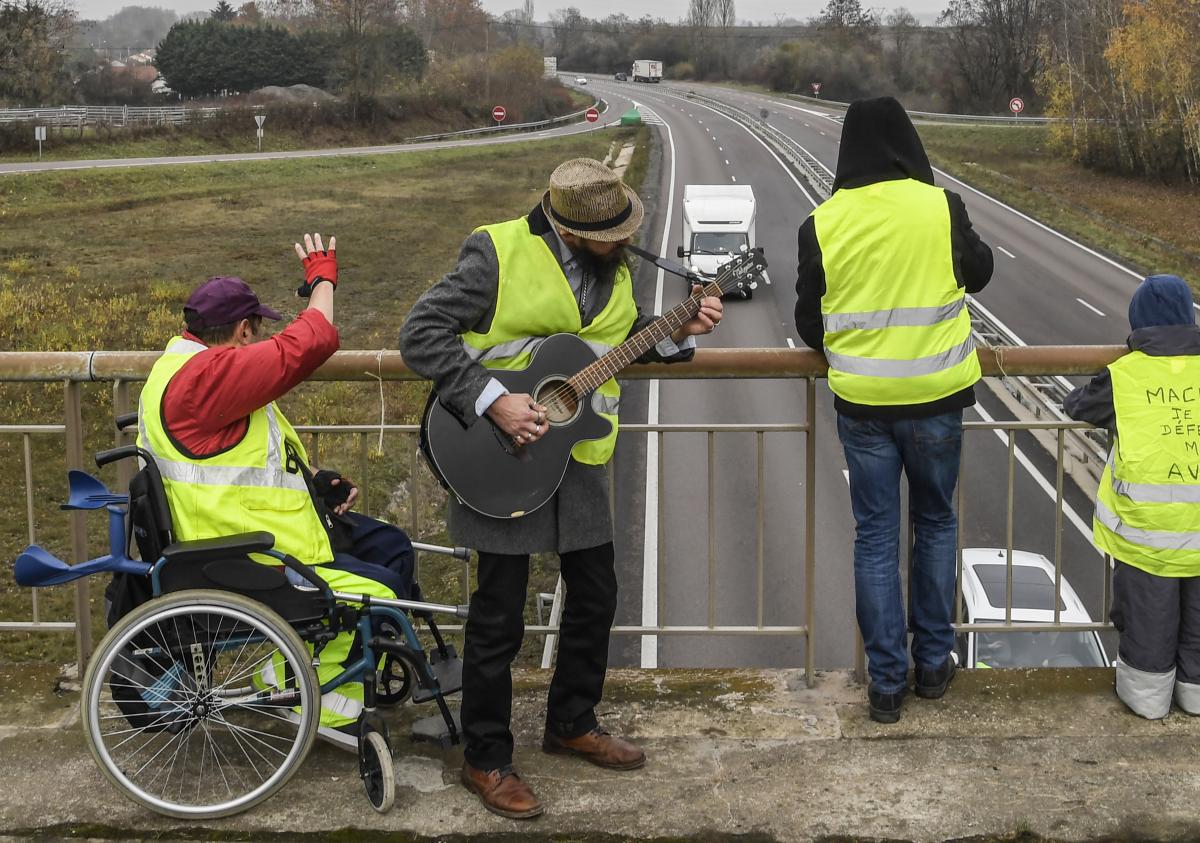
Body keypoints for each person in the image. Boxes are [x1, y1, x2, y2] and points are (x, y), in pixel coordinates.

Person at [400, 158, 722, 820]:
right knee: (500, 615)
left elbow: (610, 344)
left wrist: (673, 333)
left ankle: (572, 720)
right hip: (498, 455)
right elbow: (420, 332)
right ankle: (486, 758)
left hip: (575, 456)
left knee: (597, 593)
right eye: (614, 234)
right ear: (571, 230)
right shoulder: (496, 252)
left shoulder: (615, 265)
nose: (626, 241)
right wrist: (495, 401)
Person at [136, 235, 418, 748]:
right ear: (243, 330)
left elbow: (240, 461)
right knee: (385, 591)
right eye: (256, 330)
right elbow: (309, 342)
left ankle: (333, 668)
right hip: (250, 554)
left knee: (391, 547)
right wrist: (322, 281)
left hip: (247, 533)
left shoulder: (180, 368)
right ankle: (310, 688)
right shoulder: (207, 378)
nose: (259, 340)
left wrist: (317, 486)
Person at [794, 97, 993, 724]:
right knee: (934, 524)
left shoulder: (822, 222)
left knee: (875, 538)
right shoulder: (940, 205)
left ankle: (886, 684)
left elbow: (809, 321)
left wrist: (856, 354)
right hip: (937, 400)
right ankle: (934, 665)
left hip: (864, 404)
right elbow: (980, 273)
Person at [1064, 275, 1200, 720]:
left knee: (1150, 613)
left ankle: (1148, 699)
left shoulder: (1126, 375)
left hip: (1149, 532)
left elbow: (1078, 406)